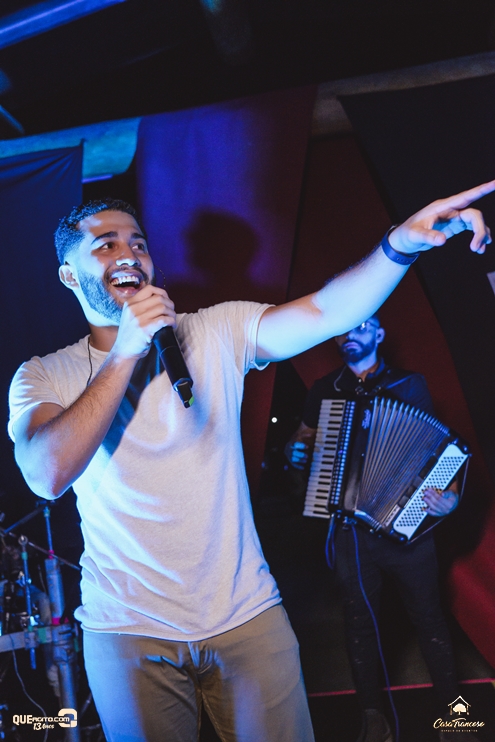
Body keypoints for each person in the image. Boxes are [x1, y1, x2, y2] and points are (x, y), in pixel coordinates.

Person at [7, 182, 493, 742]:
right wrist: (125, 353)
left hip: (247, 615)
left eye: (138, 243)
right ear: (69, 275)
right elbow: (45, 474)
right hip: (128, 629)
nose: (129, 255)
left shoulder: (216, 330)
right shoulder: (44, 375)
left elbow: (326, 310)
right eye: (106, 245)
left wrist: (400, 245)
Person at [286, 315, 477, 742]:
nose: (349, 334)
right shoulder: (324, 390)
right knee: (357, 625)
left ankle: (455, 719)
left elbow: (438, 447)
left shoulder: (409, 384)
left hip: (407, 529)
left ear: (378, 334)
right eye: (344, 327)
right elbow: (301, 442)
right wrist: (295, 452)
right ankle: (372, 716)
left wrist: (450, 498)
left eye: (361, 326)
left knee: (429, 619)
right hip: (350, 533)